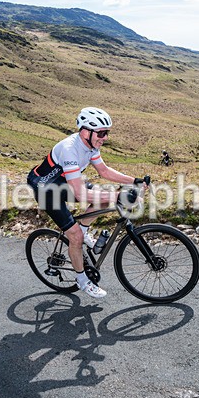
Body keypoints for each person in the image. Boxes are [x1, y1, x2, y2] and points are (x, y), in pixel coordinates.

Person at [27, 107, 144, 298]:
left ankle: (82, 231)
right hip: (46, 189)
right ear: (85, 131)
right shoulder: (69, 149)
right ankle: (82, 280)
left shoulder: (91, 146)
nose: (105, 137)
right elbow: (81, 194)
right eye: (101, 133)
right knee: (75, 236)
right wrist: (117, 197)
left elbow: (104, 172)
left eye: (107, 133)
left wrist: (134, 181)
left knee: (102, 198)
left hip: (63, 182)